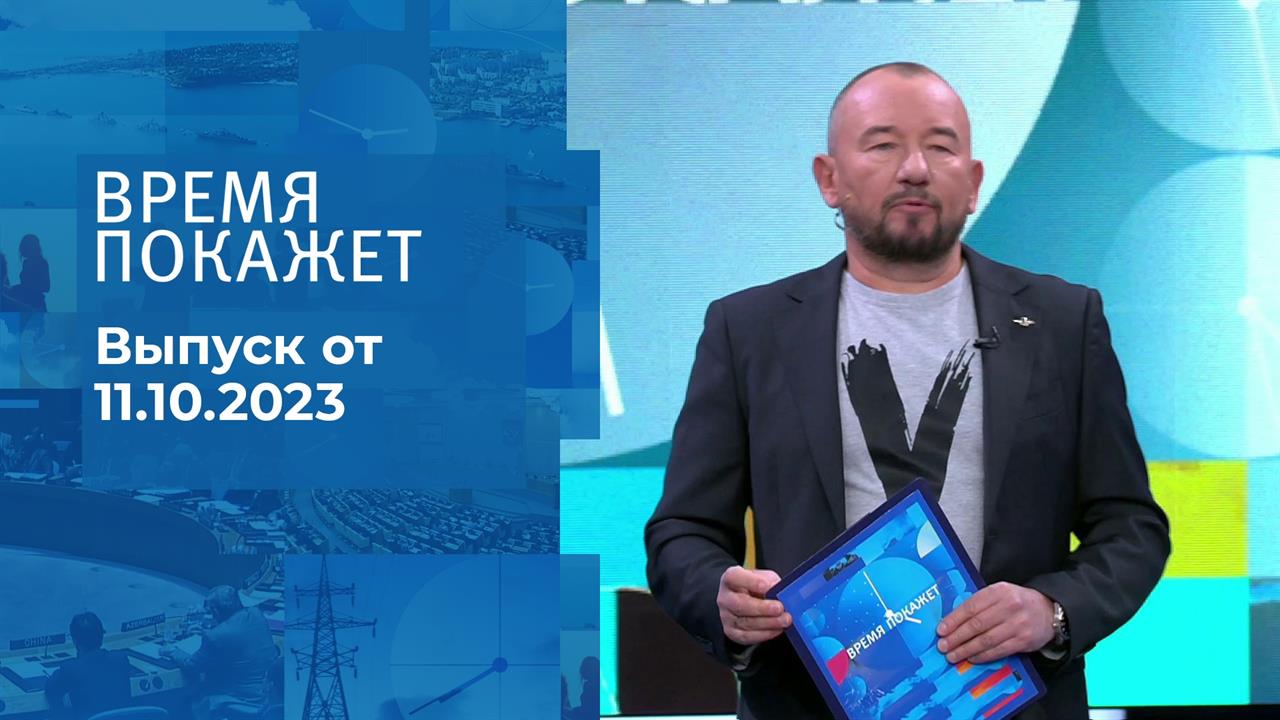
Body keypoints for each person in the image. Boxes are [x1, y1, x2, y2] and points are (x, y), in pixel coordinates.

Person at [644, 62, 1170, 719]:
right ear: (829, 179)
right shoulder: (748, 330)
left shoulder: (1063, 322)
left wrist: (1054, 611)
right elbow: (683, 530)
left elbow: (1131, 526)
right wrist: (720, 596)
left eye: (941, 147)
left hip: (1009, 702)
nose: (915, 169)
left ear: (973, 183)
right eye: (883, 145)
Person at [162, 585, 278, 720]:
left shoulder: (215, 636)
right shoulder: (256, 614)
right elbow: (237, 633)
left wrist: (172, 651)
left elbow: (192, 665)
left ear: (215, 611)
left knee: (181, 703)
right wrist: (209, 631)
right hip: (265, 696)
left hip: (238, 699)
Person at [44, 611, 132, 719]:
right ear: (101, 636)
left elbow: (50, 690)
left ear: (75, 641)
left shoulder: (70, 668)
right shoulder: (121, 659)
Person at [9, 233, 49, 312]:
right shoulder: (26, 263)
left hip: (36, 305)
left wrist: (16, 289)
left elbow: (46, 287)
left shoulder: (42, 263)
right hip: (25, 303)